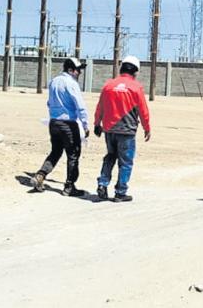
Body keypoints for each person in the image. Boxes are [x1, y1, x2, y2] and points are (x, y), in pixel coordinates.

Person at [93, 55, 151, 202]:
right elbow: (143, 111)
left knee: (110, 157)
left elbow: (100, 107)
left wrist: (97, 124)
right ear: (135, 71)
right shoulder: (136, 87)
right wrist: (147, 128)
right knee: (125, 162)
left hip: (109, 130)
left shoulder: (109, 85)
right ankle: (120, 192)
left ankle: (102, 183)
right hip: (126, 131)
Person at [32, 57, 89, 197]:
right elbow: (80, 106)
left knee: (56, 152)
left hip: (54, 123)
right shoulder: (71, 83)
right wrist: (85, 125)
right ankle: (69, 187)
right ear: (70, 70)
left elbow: (49, 103)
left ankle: (40, 175)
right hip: (68, 124)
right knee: (73, 155)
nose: (80, 73)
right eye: (78, 70)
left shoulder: (54, 81)